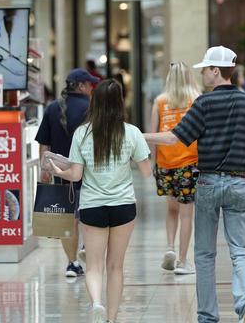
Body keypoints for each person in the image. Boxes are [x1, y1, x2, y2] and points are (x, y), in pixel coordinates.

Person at [144, 45, 245, 323]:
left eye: (205, 69)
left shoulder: (204, 103)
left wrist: (138, 135)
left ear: (215, 70)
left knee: (205, 254)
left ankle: (208, 315)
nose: (203, 75)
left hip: (208, 182)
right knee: (241, 250)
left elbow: (174, 138)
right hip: (239, 183)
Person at [48, 79, 152, 323]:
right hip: (123, 206)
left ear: (94, 102)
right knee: (115, 266)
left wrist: (58, 171)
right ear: (120, 102)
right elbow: (147, 172)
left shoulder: (82, 133)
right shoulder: (132, 132)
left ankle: (97, 304)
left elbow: (76, 175)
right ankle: (112, 319)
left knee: (94, 266)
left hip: (92, 206)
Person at [35, 68, 100, 278]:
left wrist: (44, 170)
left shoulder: (53, 108)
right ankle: (85, 250)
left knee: (68, 219)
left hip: (60, 172)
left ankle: (72, 263)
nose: (92, 88)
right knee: (88, 217)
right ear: (81, 86)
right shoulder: (93, 108)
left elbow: (44, 144)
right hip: (90, 172)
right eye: (89, 84)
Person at [148, 61, 200, 275]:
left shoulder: (160, 101)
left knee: (171, 210)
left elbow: (153, 133)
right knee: (187, 214)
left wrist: (154, 163)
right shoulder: (196, 99)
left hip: (165, 164)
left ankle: (169, 247)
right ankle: (183, 260)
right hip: (189, 163)